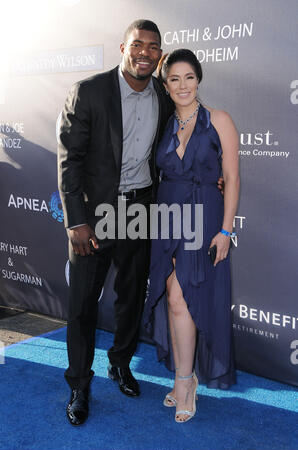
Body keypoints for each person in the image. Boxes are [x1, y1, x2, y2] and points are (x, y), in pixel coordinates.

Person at [58, 20, 223, 426]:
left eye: (153, 47)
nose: (145, 52)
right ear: (123, 47)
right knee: (82, 304)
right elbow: (69, 159)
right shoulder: (90, 91)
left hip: (142, 210)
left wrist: (212, 175)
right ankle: (79, 384)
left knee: (132, 297)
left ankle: (119, 364)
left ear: (159, 55)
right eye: (138, 45)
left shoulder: (164, 97)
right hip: (96, 216)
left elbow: (188, 138)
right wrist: (75, 221)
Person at [144, 49, 240, 423]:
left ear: (198, 80)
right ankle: (183, 377)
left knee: (184, 295)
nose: (182, 85)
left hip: (204, 216)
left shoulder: (220, 120)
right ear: (165, 86)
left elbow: (231, 177)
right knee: (171, 296)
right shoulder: (162, 125)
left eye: (189, 77)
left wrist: (226, 230)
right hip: (167, 215)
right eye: (173, 79)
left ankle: (185, 381)